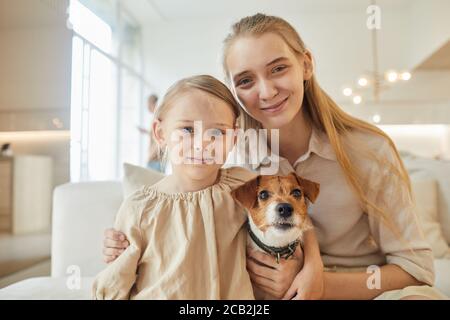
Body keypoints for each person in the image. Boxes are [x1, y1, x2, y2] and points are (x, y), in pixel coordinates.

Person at [103, 13, 447, 300]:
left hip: (358, 289)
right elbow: (182, 217)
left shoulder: (368, 150)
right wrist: (127, 248)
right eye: (246, 80)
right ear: (234, 90)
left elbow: (416, 270)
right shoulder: (228, 155)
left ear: (306, 64)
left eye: (278, 68)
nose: (266, 91)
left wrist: (319, 281)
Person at [93, 75, 260, 299]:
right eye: (187, 130)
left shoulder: (247, 187)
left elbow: (293, 209)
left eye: (218, 132)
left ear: (233, 138)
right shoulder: (140, 208)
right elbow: (116, 281)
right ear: (160, 134)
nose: (202, 144)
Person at [137, 94, 164, 172]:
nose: (147, 106)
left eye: (148, 103)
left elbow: (160, 136)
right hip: (155, 155)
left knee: (153, 179)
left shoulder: (158, 117)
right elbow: (154, 133)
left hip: (156, 156)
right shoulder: (156, 117)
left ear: (153, 103)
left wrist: (152, 155)